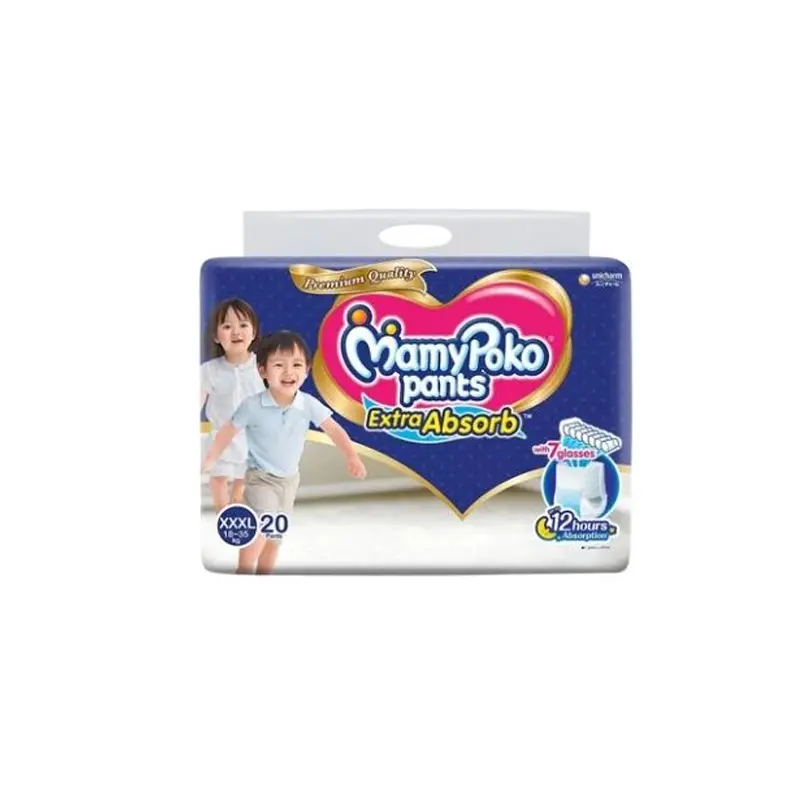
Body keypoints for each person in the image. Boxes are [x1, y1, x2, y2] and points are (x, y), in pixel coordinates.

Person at [202, 330, 367, 574]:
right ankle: (243, 571)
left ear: (307, 370)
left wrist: (351, 456)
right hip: (260, 478)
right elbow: (228, 431)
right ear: (262, 371)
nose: (289, 372)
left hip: (290, 480)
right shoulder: (252, 405)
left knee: (275, 536)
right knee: (262, 524)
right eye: (279, 365)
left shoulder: (307, 403)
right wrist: (211, 458)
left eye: (296, 365)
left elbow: (334, 429)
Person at [200, 298, 263, 513]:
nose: (236, 332)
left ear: (253, 332)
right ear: (216, 336)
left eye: (243, 325)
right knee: (218, 477)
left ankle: (238, 509)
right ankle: (222, 511)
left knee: (243, 479)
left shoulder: (262, 366)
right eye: (227, 326)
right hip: (220, 437)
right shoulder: (210, 370)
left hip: (252, 438)